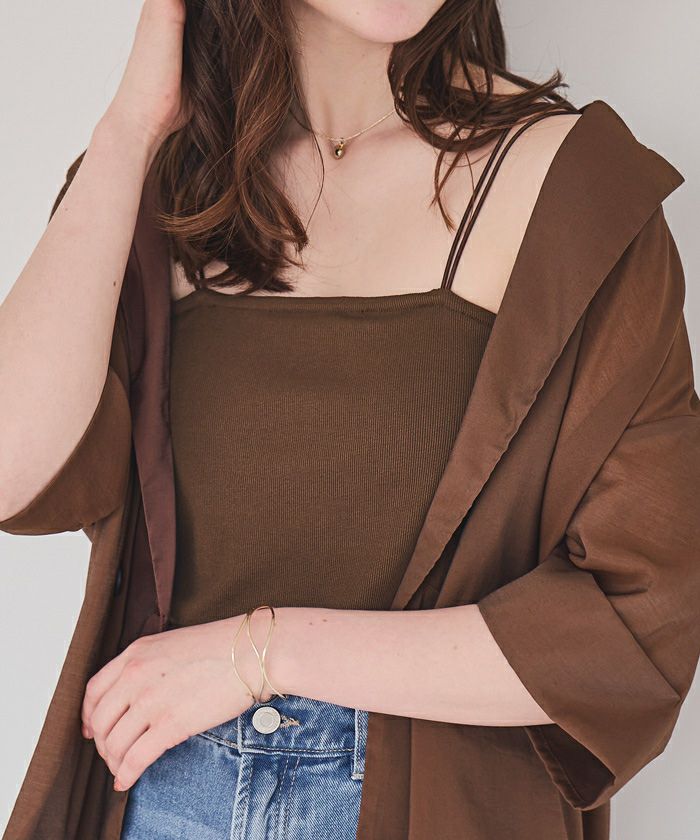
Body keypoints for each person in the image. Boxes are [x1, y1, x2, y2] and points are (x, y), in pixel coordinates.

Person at [1, 1, 698, 839]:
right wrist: (130, 128)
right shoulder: (156, 182)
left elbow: (638, 623)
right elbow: (13, 471)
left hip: (446, 813)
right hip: (166, 805)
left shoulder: (576, 189)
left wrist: (265, 654)